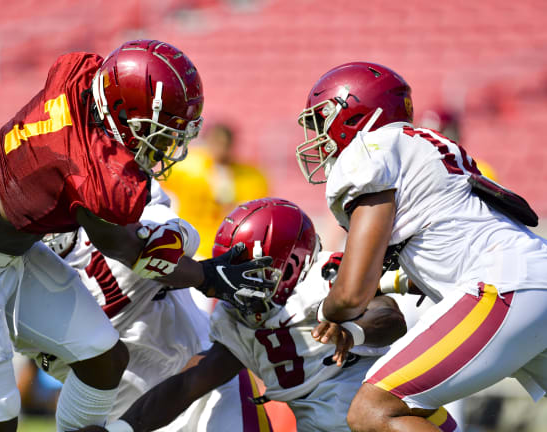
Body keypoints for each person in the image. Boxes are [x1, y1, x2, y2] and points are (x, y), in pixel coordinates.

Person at [0, 39, 272, 432]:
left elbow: (25, 163)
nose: (162, 148)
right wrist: (207, 276)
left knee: (105, 359)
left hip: (17, 254)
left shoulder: (76, 76)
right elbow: (134, 252)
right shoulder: (99, 177)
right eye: (156, 133)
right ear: (122, 112)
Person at [295, 61, 547, 431]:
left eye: (323, 119)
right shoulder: (424, 147)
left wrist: (327, 312)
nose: (319, 136)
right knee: (415, 410)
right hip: (529, 272)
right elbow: (434, 259)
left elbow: (351, 294)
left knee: (374, 409)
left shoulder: (370, 150)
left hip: (504, 284)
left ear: (355, 113)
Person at [100, 197, 411, 432]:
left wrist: (352, 330)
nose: (234, 280)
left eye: (245, 270)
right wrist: (120, 429)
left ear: (289, 266)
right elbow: (187, 384)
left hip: (382, 417)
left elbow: (390, 318)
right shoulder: (239, 318)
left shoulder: (325, 276)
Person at [39, 179, 271, 431]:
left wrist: (172, 251)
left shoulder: (107, 198)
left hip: (209, 392)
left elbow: (180, 237)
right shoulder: (12, 284)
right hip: (120, 420)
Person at [162, 122, 269, 260]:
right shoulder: (186, 168)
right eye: (215, 142)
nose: (219, 149)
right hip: (189, 243)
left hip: (227, 248)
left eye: (223, 144)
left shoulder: (252, 177)